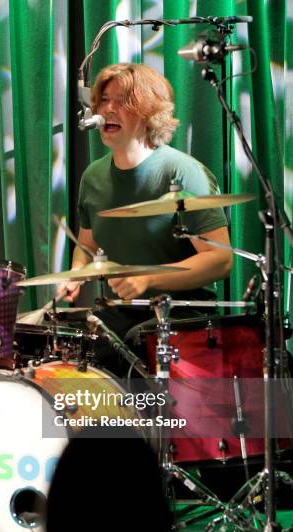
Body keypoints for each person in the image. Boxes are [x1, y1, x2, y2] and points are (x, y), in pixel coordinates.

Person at [60, 63, 232, 359]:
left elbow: (220, 260)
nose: (108, 109)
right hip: (121, 313)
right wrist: (77, 273)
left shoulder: (182, 173)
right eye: (103, 99)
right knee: (68, 342)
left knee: (132, 346)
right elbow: (87, 246)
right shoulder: (93, 177)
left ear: (149, 112)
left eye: (122, 101)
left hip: (179, 319)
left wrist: (149, 279)